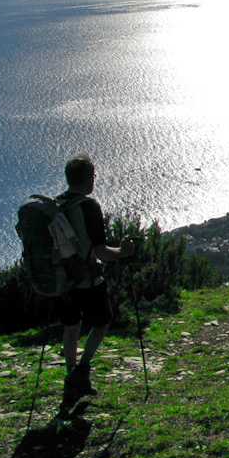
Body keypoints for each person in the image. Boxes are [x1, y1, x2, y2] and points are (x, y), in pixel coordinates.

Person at [54, 153, 135, 404]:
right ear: (88, 178)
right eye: (93, 176)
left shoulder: (56, 205)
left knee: (71, 326)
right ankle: (82, 369)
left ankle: (71, 376)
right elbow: (100, 251)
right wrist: (123, 252)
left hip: (61, 280)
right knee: (103, 321)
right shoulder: (88, 206)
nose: (94, 180)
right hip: (86, 279)